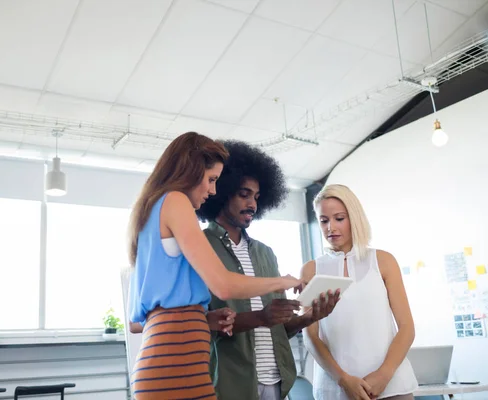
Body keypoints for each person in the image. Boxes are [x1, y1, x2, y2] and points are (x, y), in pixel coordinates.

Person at [127, 132, 302, 400]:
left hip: (171, 364)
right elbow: (224, 284)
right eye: (211, 179)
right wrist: (284, 281)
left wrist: (203, 318)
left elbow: (136, 323)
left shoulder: (150, 213)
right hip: (177, 367)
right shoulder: (175, 200)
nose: (213, 190)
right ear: (190, 170)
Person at [196, 140, 339, 400]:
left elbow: (278, 327)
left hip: (277, 383)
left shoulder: (265, 254)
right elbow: (200, 323)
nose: (252, 204)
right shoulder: (200, 247)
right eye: (244, 194)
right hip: (231, 384)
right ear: (222, 190)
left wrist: (310, 316)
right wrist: (261, 317)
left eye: (257, 197)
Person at [302, 184, 418, 400]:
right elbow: (310, 336)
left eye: (339, 218)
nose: (331, 228)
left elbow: (406, 327)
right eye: (324, 220)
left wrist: (384, 375)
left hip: (392, 387)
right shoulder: (311, 270)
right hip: (335, 390)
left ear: (354, 218)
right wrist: (343, 379)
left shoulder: (383, 261)